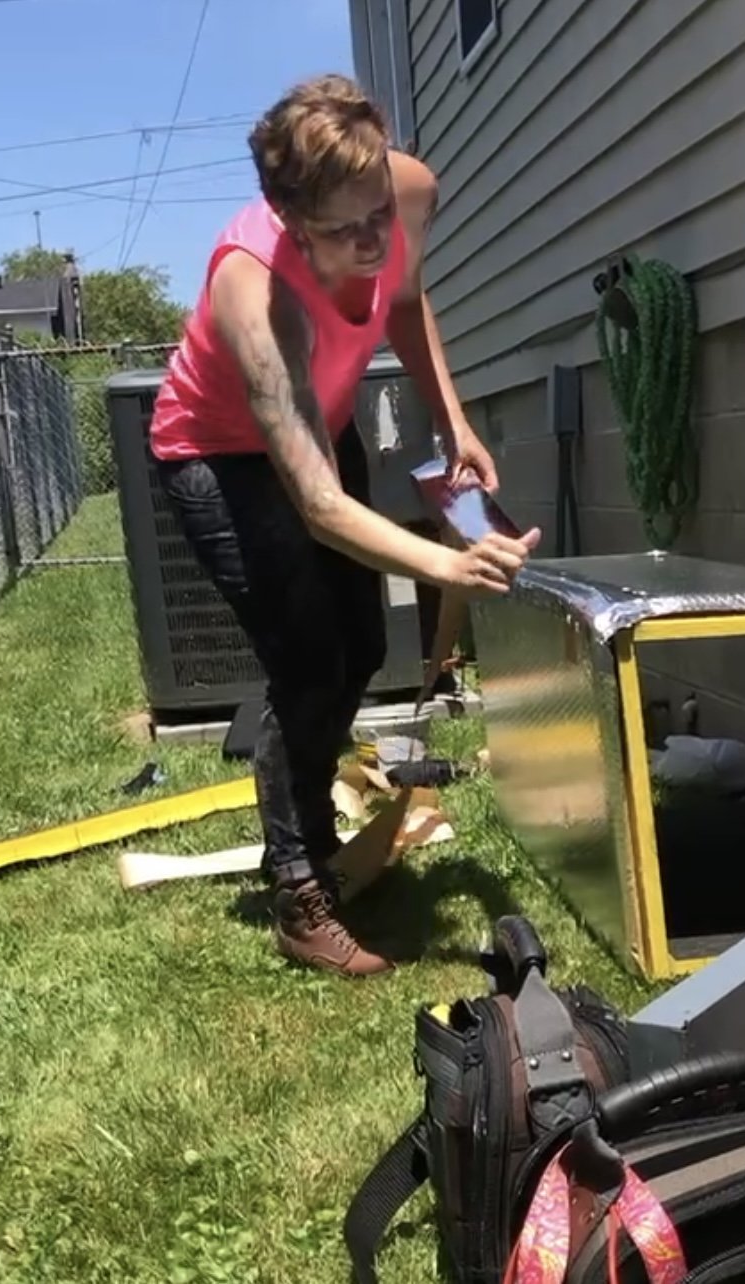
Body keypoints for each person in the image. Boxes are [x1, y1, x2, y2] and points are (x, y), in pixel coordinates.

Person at [148, 74, 540, 979]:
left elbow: (401, 296)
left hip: (321, 425)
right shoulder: (254, 293)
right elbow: (320, 508)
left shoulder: (404, 189)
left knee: (360, 644)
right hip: (216, 455)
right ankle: (298, 887)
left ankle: (314, 837)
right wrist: (451, 569)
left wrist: (455, 424)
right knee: (306, 658)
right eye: (344, 229)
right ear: (289, 217)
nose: (373, 239)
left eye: (378, 215)